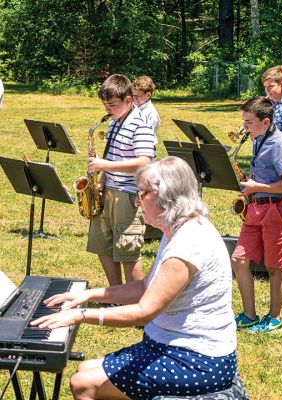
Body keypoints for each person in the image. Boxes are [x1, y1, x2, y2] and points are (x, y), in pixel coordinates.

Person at [31, 156, 239, 400]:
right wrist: (88, 294)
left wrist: (81, 315)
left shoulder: (187, 245)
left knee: (82, 384)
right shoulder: (175, 228)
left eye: (143, 194)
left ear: (166, 196)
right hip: (169, 344)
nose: (138, 202)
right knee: (84, 369)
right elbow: (144, 287)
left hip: (197, 359)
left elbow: (144, 311)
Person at [232, 96, 282, 333]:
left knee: (274, 267)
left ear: (265, 120)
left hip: (275, 210)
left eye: (248, 122)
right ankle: (249, 315)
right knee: (239, 260)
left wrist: (257, 187)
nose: (244, 127)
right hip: (255, 208)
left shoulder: (278, 144)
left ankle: (274, 318)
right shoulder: (259, 139)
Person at [86, 74, 155, 286]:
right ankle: (117, 294)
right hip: (108, 190)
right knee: (102, 245)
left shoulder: (140, 124)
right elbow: (112, 155)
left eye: (112, 104)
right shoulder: (115, 122)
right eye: (105, 104)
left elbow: (145, 160)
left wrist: (104, 166)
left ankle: (135, 302)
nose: (107, 109)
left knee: (127, 250)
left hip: (128, 195)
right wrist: (101, 180)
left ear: (128, 100)